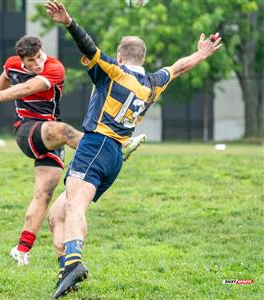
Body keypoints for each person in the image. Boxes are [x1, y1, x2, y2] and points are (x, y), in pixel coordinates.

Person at [44, 0, 223, 298]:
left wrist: (69, 22)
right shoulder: (153, 83)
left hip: (96, 144)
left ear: (120, 55)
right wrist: (201, 54)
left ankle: (75, 261)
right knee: (57, 214)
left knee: (75, 205)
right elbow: (178, 68)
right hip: (114, 155)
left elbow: (89, 48)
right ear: (143, 57)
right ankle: (67, 270)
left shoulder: (113, 71)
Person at [0, 36, 83, 266]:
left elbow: (29, 87)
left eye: (40, 56)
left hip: (49, 137)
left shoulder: (55, 67)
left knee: (43, 194)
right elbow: (5, 77)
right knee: (66, 131)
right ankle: (108, 151)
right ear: (22, 61)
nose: (38, 62)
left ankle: (22, 249)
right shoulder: (12, 63)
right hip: (27, 131)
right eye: (32, 61)